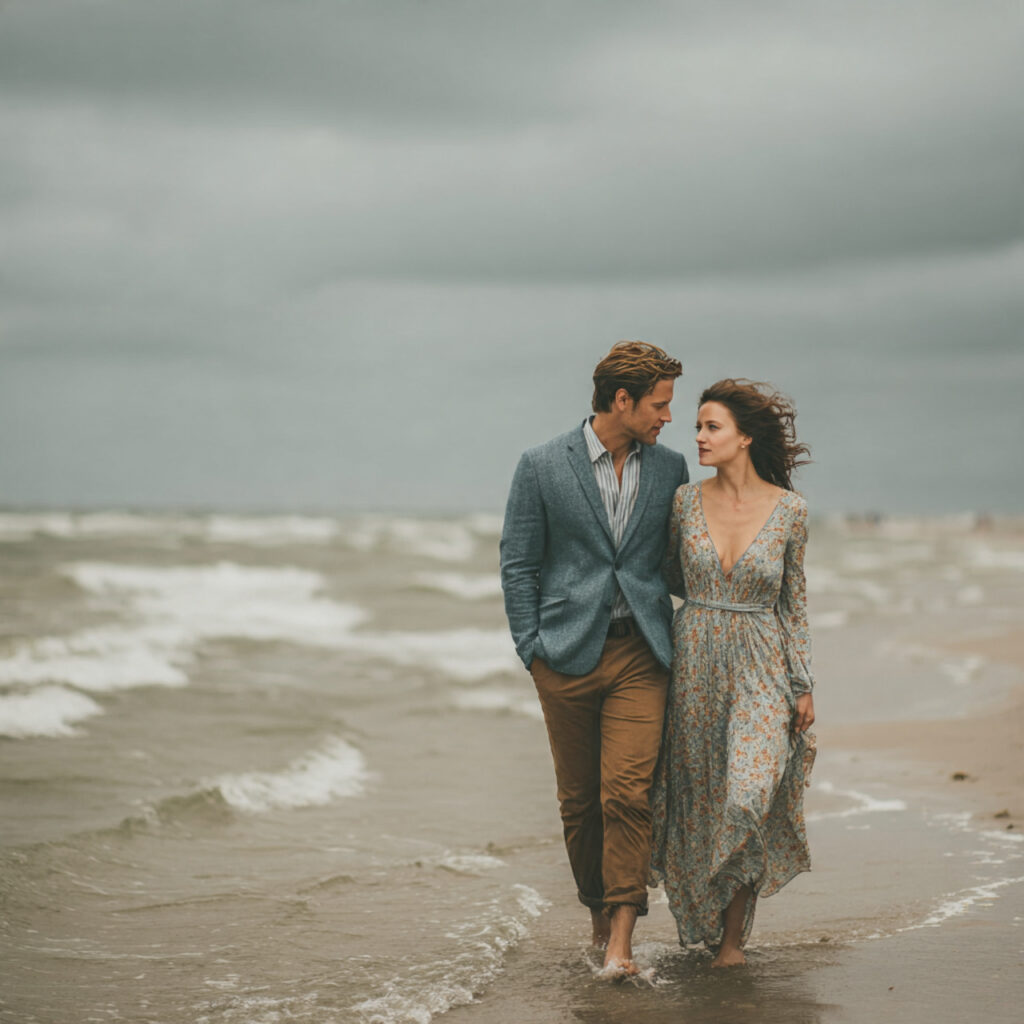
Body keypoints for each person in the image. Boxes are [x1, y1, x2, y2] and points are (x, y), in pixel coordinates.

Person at [500, 341, 688, 976]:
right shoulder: (541, 465)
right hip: (566, 655)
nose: (668, 416)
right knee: (578, 803)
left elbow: (672, 563)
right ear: (622, 400)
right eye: (660, 405)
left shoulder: (670, 469)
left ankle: (622, 941)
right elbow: (518, 563)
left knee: (628, 795)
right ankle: (597, 914)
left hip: (642, 652)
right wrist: (532, 651)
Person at [650, 378, 816, 967]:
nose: (697, 437)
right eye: (696, 426)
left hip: (761, 662)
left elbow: (793, 603)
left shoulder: (791, 511)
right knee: (700, 798)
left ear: (744, 437)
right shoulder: (684, 502)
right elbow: (669, 572)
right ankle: (714, 928)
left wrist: (802, 683)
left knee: (747, 794)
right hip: (694, 659)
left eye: (711, 427)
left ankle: (731, 943)